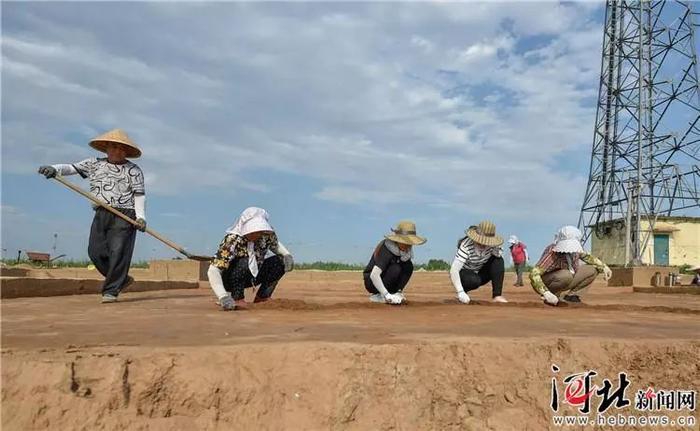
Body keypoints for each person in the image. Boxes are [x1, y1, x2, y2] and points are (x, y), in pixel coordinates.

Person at [37, 129, 146, 303]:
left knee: (118, 251)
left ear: (126, 152)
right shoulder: (94, 164)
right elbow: (71, 168)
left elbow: (139, 195)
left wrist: (141, 218)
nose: (117, 151)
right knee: (95, 252)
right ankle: (122, 280)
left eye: (121, 148)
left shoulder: (133, 170)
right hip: (101, 212)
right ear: (106, 148)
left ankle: (111, 290)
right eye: (114, 147)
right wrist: (53, 169)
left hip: (125, 214)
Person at [207, 207, 294, 311]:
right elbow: (213, 270)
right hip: (230, 279)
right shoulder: (232, 240)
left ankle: (263, 297)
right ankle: (237, 298)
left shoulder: (266, 235)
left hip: (252, 276)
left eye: (258, 231)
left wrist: (286, 255)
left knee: (279, 261)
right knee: (245, 260)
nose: (256, 234)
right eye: (252, 230)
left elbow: (274, 245)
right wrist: (223, 296)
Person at [529, 225, 612, 306]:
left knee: (592, 269)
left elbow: (588, 257)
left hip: (569, 277)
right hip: (550, 281)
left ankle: (572, 296)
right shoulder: (552, 252)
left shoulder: (577, 250)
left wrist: (604, 267)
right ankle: (552, 295)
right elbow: (534, 274)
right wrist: (545, 292)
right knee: (566, 275)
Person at [363, 220, 426, 305]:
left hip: (390, 281)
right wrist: (386, 295)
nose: (407, 246)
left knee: (408, 266)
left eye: (409, 243)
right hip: (372, 282)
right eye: (405, 242)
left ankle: (397, 292)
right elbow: (374, 275)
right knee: (395, 268)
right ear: (398, 240)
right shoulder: (387, 249)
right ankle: (380, 295)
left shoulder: (406, 253)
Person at [450, 220, 508, 304]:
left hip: (481, 273)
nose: (483, 245)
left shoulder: (493, 245)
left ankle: (497, 296)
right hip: (465, 275)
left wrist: (496, 250)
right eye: (480, 242)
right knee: (474, 280)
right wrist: (460, 292)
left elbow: (498, 259)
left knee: (498, 260)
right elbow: (454, 270)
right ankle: (463, 292)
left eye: (485, 242)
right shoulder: (466, 245)